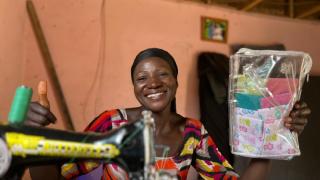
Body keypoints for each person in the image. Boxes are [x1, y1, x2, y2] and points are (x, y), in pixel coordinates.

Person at [26, 48, 311, 179]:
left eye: (163, 74)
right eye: (142, 78)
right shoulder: (111, 123)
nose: (153, 83)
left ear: (175, 82)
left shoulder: (193, 133)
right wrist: (36, 136)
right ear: (135, 87)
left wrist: (273, 137)